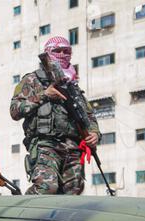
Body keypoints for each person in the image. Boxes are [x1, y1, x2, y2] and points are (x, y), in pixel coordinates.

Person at [10, 36, 101, 195]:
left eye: (66, 51)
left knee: (73, 193)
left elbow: (89, 116)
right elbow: (15, 111)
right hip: (46, 144)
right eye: (57, 51)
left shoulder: (73, 86)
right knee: (46, 188)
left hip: (73, 147)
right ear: (48, 53)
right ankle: (23, 211)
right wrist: (44, 95)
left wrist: (95, 133)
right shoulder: (32, 80)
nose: (62, 54)